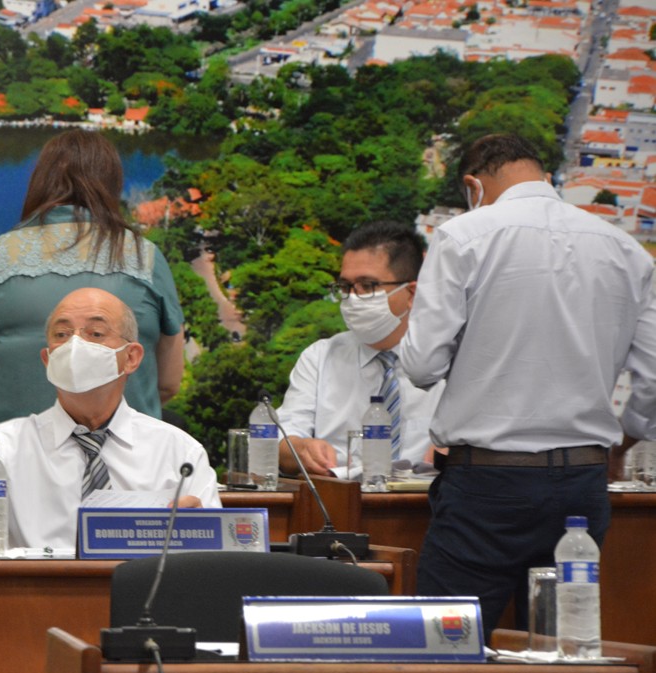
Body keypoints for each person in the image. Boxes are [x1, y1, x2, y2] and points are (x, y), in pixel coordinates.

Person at [400, 132, 656, 639]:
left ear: (473, 185)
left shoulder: (462, 236)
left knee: (446, 645)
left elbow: (422, 366)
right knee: (563, 649)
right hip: (583, 483)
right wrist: (624, 441)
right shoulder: (627, 250)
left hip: (487, 483)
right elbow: (652, 377)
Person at [0, 288, 219, 550]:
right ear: (48, 361)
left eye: (95, 333)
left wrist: (194, 535)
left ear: (131, 357)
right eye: (62, 335)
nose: (75, 345)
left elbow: (215, 558)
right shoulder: (4, 448)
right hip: (36, 610)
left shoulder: (179, 454)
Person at [0, 130, 185, 431]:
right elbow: (169, 383)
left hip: (9, 456)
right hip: (123, 454)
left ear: (39, 182)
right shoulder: (144, 256)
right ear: (112, 185)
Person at [276, 221, 444, 477]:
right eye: (346, 287)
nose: (353, 298)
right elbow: (284, 439)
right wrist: (300, 449)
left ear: (411, 293)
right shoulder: (320, 357)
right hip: (339, 494)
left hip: (427, 495)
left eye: (368, 285)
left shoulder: (450, 359)